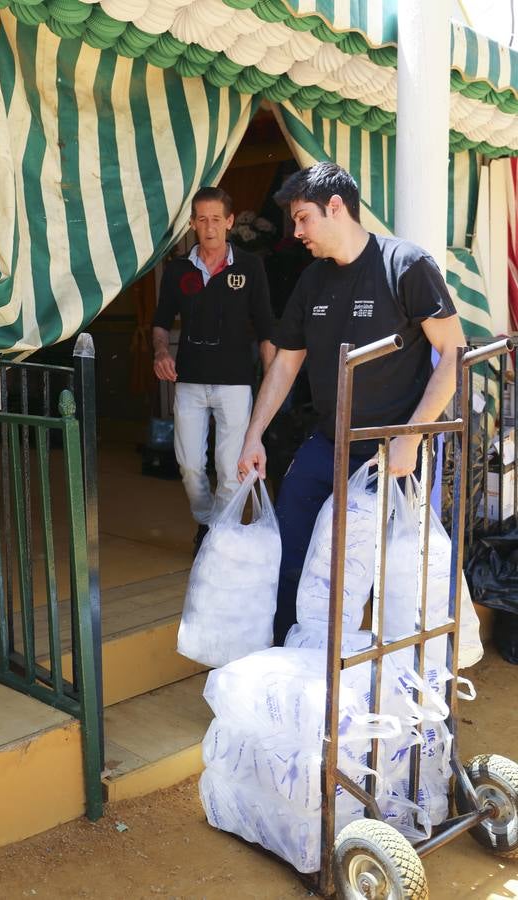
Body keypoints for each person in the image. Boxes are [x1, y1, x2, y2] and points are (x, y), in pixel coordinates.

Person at [237, 163, 465, 645]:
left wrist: (412, 436)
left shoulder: (405, 265)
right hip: (329, 441)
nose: (297, 232)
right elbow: (285, 363)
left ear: (335, 207)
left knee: (389, 570)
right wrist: (254, 434)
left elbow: (454, 356)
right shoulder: (312, 281)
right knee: (293, 545)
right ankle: (290, 660)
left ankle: (397, 679)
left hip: (394, 452)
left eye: (303, 219)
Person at [153, 186, 275, 555]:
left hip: (235, 382)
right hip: (188, 381)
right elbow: (160, 323)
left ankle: (218, 537)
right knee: (189, 465)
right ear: (191, 223)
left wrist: (271, 385)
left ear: (230, 222)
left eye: (216, 219)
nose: (209, 227)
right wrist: (160, 351)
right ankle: (207, 521)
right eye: (202, 219)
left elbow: (268, 330)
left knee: (229, 468)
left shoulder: (250, 267)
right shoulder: (177, 271)